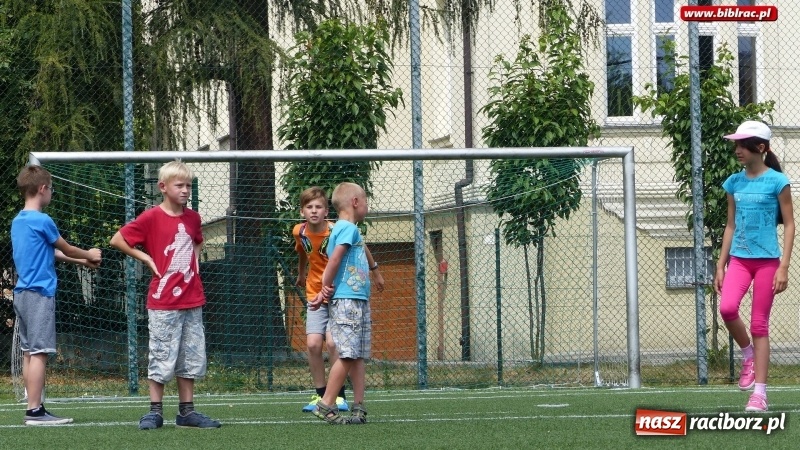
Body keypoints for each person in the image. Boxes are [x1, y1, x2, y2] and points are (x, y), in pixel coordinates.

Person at [110, 160, 221, 430]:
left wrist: (192, 270)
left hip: (192, 299)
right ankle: (155, 411)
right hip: (163, 302)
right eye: (179, 185)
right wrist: (146, 258)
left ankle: (186, 412)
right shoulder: (151, 217)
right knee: (161, 353)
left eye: (188, 186)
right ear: (163, 187)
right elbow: (118, 240)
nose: (185, 190)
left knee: (190, 355)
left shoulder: (193, 218)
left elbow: (196, 243)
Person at [11, 165, 102, 425]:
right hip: (39, 293)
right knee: (39, 352)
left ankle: (34, 405)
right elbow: (68, 248)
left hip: (23, 294)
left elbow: (50, 253)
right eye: (50, 188)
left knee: (29, 351)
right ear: (42, 189)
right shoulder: (43, 220)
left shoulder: (18, 221)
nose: (52, 193)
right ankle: (34, 411)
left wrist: (83, 263)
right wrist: (89, 254)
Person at [714, 121, 795, 412]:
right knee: (727, 308)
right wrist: (721, 265)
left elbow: (789, 225)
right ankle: (747, 354)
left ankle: (760, 394)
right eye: (735, 145)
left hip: (767, 264)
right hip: (738, 261)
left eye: (742, 145)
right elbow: (731, 225)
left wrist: (783, 266)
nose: (737, 150)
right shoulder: (733, 182)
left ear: (760, 148)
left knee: (760, 324)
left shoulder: (777, 182)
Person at [309, 182, 383, 425]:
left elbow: (352, 255)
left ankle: (359, 406)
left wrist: (376, 272)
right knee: (348, 354)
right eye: (365, 200)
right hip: (347, 301)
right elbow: (336, 259)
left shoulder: (349, 230)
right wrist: (324, 287)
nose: (367, 205)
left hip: (358, 300)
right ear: (355, 202)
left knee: (357, 354)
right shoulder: (346, 229)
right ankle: (326, 403)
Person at [293, 187, 349, 413]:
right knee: (314, 344)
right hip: (313, 293)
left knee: (334, 343)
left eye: (318, 207)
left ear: (326, 211)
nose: (314, 211)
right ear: (302, 211)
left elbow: (356, 250)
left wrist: (374, 271)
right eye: (309, 207)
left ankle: (338, 396)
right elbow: (302, 252)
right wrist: (300, 273)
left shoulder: (336, 231)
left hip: (337, 293)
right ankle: (319, 395)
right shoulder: (299, 231)